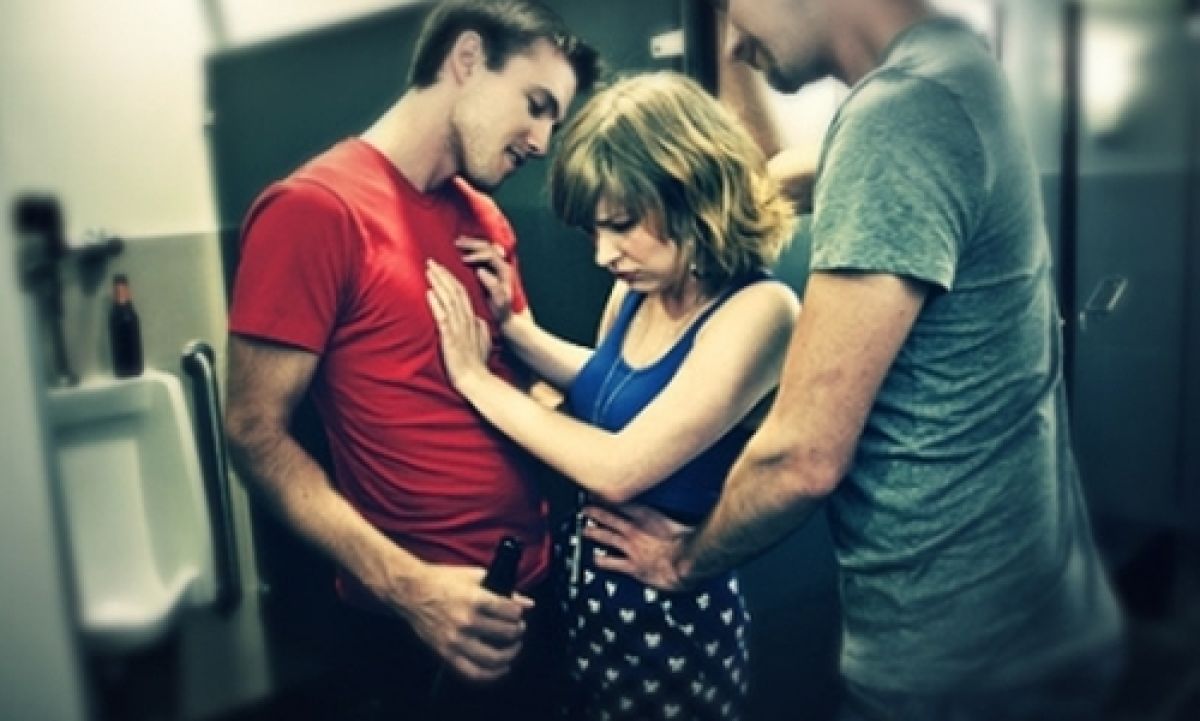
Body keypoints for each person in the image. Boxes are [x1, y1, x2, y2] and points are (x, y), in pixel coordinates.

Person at [584, 2, 1126, 720]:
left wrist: (682, 560)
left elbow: (801, 459)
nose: (735, 44)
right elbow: (771, 179)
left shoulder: (895, 117)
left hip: (956, 668)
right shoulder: (957, 69)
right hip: (1038, 620)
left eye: (733, 10)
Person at [223, 1, 597, 717]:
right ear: (466, 59)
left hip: (535, 592)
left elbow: (516, 391)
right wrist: (409, 588)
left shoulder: (484, 220)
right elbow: (251, 430)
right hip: (418, 622)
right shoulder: (314, 210)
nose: (543, 141)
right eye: (536, 105)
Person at [424, 71, 798, 720]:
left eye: (621, 225)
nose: (604, 255)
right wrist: (516, 329)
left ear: (691, 192)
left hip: (671, 620)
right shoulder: (638, 286)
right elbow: (608, 384)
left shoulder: (761, 311)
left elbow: (619, 466)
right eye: (594, 232)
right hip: (591, 596)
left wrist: (477, 381)